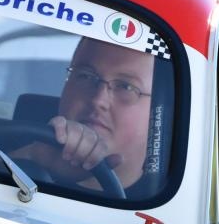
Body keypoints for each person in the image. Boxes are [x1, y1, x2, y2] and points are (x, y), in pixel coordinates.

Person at [19, 37, 156, 194]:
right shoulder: (13, 144)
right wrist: (32, 158)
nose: (98, 100)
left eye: (126, 87)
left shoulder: (172, 203)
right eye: (86, 76)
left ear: (159, 109)